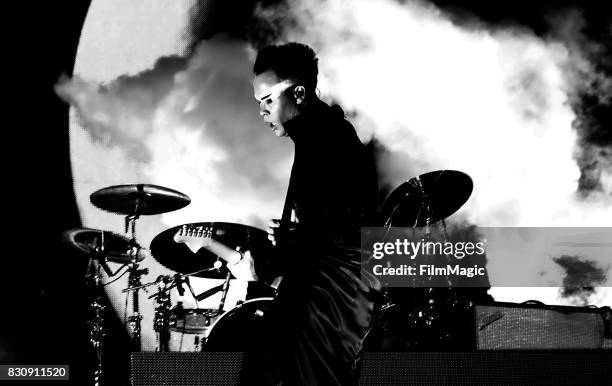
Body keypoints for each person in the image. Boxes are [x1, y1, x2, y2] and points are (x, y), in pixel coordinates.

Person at [216, 42, 380, 385]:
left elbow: (346, 229)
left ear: (300, 93)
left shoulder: (327, 139)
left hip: (329, 300)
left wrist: (292, 244)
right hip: (324, 294)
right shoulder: (319, 135)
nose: (262, 112)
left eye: (268, 101)